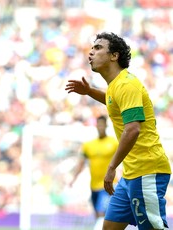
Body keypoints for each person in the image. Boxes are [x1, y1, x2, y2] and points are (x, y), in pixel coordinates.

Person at [65, 32, 171, 230]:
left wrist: (112, 167)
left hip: (147, 169)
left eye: (97, 48)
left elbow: (132, 130)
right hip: (130, 175)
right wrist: (89, 92)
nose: (91, 53)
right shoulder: (115, 86)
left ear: (114, 55)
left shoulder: (127, 84)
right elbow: (112, 101)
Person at [71, 115, 118, 230]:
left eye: (103, 124)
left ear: (106, 125)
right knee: (98, 216)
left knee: (102, 215)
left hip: (108, 186)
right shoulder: (88, 145)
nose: (101, 127)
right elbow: (81, 163)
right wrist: (74, 178)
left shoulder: (114, 143)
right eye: (99, 124)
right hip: (93, 186)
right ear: (96, 126)